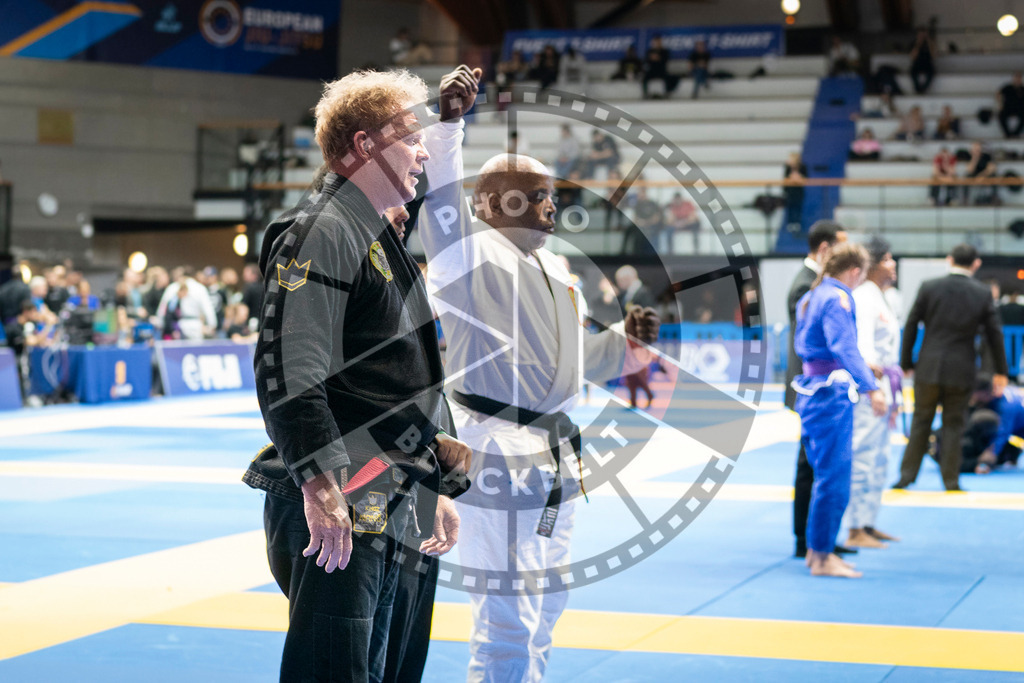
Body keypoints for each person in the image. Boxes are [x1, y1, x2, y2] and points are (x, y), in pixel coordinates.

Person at [420, 66, 660, 683]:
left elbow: (574, 361)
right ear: (488, 205)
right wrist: (448, 128)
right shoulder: (470, 257)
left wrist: (625, 345)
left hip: (555, 448)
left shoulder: (557, 270)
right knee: (507, 614)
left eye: (551, 193)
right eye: (533, 194)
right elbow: (440, 205)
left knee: (550, 599)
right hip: (495, 445)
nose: (550, 204)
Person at [241, 67, 474, 683]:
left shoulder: (374, 231)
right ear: (365, 144)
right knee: (336, 672)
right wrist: (319, 483)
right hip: (347, 490)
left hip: (396, 485)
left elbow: (401, 377)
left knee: (392, 669)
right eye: (411, 137)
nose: (423, 151)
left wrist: (432, 482)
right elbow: (290, 367)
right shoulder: (322, 230)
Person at [792, 242, 887, 577]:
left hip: (812, 389)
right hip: (829, 395)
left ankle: (817, 552)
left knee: (824, 475)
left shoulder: (811, 296)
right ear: (855, 272)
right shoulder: (837, 298)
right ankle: (821, 556)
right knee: (834, 477)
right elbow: (843, 347)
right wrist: (871, 387)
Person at [895, 243, 1009, 491]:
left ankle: (906, 476)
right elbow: (995, 334)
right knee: (954, 424)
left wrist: (906, 362)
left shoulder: (929, 287)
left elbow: (911, 324)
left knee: (920, 421)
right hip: (961, 369)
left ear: (949, 260)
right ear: (976, 264)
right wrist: (1002, 371)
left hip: (929, 366)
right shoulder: (982, 293)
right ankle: (951, 480)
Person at [784, 220, 848, 559]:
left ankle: (818, 537)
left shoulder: (816, 284)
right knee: (811, 464)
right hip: (812, 387)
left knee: (820, 463)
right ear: (825, 248)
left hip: (819, 387)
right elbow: (809, 344)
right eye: (840, 248)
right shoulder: (805, 286)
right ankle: (806, 539)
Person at [843, 238, 902, 549]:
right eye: (889, 259)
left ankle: (868, 522)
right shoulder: (864, 297)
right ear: (875, 264)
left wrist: (894, 397)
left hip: (886, 385)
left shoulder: (884, 297)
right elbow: (863, 347)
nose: (893, 265)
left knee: (880, 459)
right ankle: (854, 527)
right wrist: (873, 389)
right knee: (863, 457)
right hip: (869, 389)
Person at [961, 374, 1023, 474]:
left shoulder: (1006, 406)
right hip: (1017, 424)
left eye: (975, 395)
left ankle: (1011, 453)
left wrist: (991, 453)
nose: (973, 398)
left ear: (984, 393)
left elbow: (1002, 433)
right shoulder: (993, 393)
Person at [616, 265, 657, 409]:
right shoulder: (627, 293)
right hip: (628, 336)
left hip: (639, 337)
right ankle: (633, 399)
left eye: (620, 281)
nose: (619, 284)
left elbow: (648, 316)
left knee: (637, 368)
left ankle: (648, 393)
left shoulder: (643, 293)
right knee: (629, 368)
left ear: (627, 278)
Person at [962, 141, 997, 205]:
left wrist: (982, 176)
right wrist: (975, 158)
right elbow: (970, 170)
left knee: (994, 177)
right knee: (966, 177)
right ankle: (965, 199)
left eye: (978, 149)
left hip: (985, 174)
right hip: (974, 175)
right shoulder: (969, 156)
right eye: (975, 149)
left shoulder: (986, 156)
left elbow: (991, 168)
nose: (977, 150)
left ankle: (994, 198)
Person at [643, 35, 677, 99]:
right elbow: (647, 61)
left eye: (659, 42)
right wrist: (654, 58)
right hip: (652, 71)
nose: (657, 43)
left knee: (671, 78)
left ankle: (667, 92)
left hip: (661, 70)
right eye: (656, 42)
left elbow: (665, 60)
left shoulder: (664, 51)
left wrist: (657, 58)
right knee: (644, 78)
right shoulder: (650, 51)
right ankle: (645, 93)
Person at [783, 152, 807, 234]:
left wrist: (798, 178)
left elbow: (805, 179)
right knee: (790, 207)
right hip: (790, 191)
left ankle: (797, 223)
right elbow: (786, 179)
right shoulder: (788, 168)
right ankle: (790, 222)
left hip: (799, 191)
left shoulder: (802, 167)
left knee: (798, 207)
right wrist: (793, 178)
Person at [997, 72, 1024, 139]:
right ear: (1014, 79)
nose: (1018, 80)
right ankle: (1008, 134)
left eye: (1019, 79)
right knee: (1001, 115)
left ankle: (1016, 134)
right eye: (1016, 78)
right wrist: (1000, 104)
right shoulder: (1008, 87)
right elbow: (998, 94)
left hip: (1019, 109)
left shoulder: (1022, 89)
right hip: (1008, 108)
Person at [909, 28, 936, 94]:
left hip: (927, 63)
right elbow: (913, 56)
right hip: (917, 63)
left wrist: (929, 41)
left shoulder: (929, 43)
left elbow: (933, 55)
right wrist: (918, 44)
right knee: (912, 73)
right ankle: (918, 89)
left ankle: (923, 89)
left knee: (931, 73)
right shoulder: (914, 43)